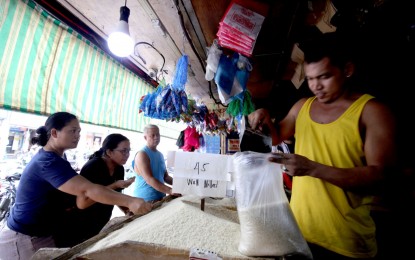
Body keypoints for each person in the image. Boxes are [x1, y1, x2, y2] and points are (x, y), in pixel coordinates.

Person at [248, 32, 397, 259]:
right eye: (309, 78)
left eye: (324, 77)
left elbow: (380, 178)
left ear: (347, 70)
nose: (315, 86)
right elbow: (276, 136)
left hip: (345, 243)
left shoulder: (372, 112)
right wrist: (264, 118)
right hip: (299, 233)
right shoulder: (302, 107)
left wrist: (313, 168)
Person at [0, 112, 152, 260]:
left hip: (44, 233)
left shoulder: (59, 157)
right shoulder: (47, 162)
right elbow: (87, 190)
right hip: (24, 238)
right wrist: (130, 201)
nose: (77, 135)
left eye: (79, 131)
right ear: (54, 133)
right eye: (72, 131)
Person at [54, 133, 136, 247]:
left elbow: (115, 196)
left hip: (100, 222)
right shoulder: (94, 166)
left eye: (129, 151)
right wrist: (115, 185)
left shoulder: (119, 169)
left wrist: (128, 211)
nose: (127, 155)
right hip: (79, 224)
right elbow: (83, 203)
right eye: (123, 151)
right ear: (109, 152)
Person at [129, 124, 177, 203]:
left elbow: (165, 177)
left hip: (161, 198)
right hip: (145, 200)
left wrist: (180, 185)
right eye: (153, 135)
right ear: (145, 137)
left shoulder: (160, 155)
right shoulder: (142, 154)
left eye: (158, 134)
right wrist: (170, 190)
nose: (156, 137)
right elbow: (149, 179)